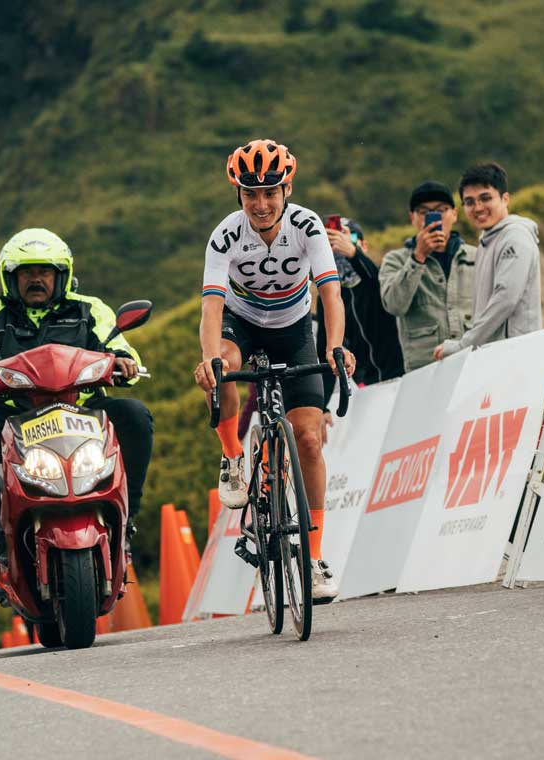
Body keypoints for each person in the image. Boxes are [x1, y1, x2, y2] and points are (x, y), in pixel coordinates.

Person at [193, 139, 355, 603]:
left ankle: (315, 558)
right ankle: (232, 458)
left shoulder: (307, 227)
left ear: (287, 189)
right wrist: (210, 358)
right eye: (249, 194)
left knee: (307, 438)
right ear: (238, 194)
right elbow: (211, 305)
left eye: (270, 193)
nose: (260, 205)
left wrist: (336, 346)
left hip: (292, 329)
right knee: (223, 367)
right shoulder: (225, 235)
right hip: (239, 325)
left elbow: (330, 294)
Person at [0, 229, 154, 561]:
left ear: (62, 276)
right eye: (26, 272)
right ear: (10, 278)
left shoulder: (90, 309)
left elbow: (118, 345)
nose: (36, 279)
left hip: (83, 411)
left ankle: (126, 522)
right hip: (13, 414)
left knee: (135, 415)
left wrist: (125, 362)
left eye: (45, 272)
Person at [434, 163, 542, 360]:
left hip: (516, 359)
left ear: (505, 198)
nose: (478, 208)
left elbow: (505, 299)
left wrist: (463, 345)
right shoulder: (487, 241)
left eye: (485, 198)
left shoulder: (515, 237)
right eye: (469, 202)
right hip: (495, 359)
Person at [316, 216, 404, 440]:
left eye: (350, 238)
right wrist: (322, 406)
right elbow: (324, 353)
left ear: (363, 245)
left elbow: (378, 286)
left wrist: (355, 256)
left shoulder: (376, 275)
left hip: (403, 378)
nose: (340, 245)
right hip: (368, 388)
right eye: (332, 242)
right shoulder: (331, 295)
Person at [379, 181, 477, 372]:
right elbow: (393, 305)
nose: (434, 217)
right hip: (425, 370)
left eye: (442, 209)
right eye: (424, 212)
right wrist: (418, 258)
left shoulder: (477, 256)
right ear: (412, 218)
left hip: (473, 362)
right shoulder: (395, 260)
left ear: (454, 214)